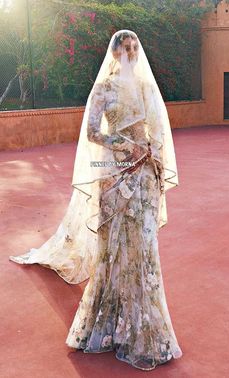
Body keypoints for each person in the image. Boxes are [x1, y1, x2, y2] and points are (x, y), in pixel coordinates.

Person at [9, 29, 183, 371]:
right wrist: (122, 145)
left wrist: (151, 155)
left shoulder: (148, 88)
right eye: (124, 45)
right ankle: (110, 324)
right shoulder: (104, 88)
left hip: (144, 177)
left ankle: (150, 330)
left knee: (145, 252)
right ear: (115, 52)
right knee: (113, 251)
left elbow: (159, 131)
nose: (130, 49)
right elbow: (92, 132)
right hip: (114, 176)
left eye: (134, 45)